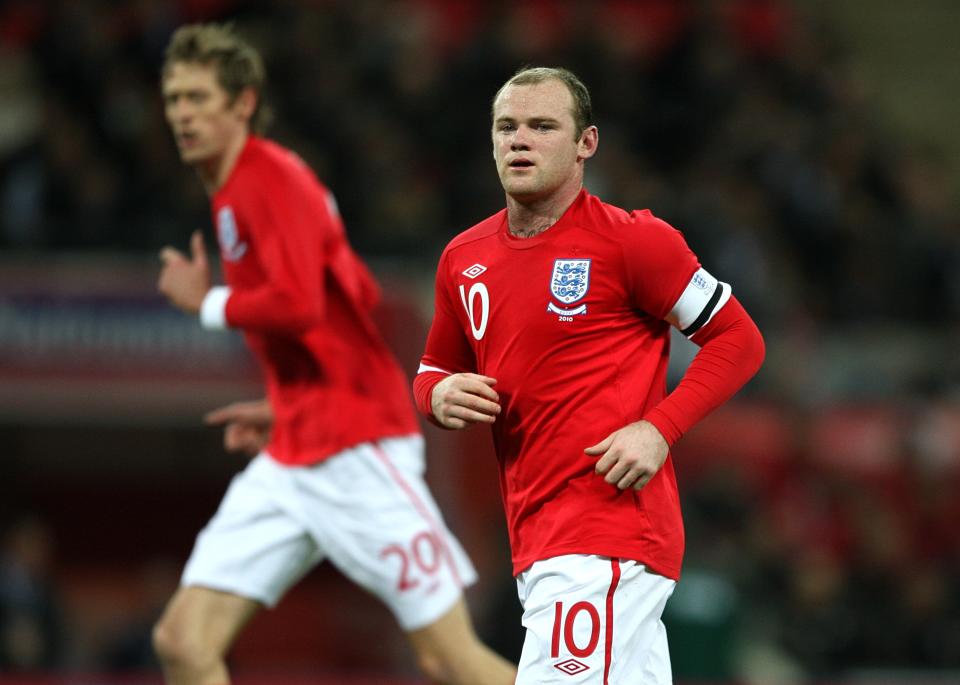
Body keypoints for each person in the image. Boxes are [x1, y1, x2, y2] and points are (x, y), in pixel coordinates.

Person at [153, 23, 516, 685]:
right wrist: (290, 401)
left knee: (448, 656)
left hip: (359, 449)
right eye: (174, 97)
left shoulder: (273, 179)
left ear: (242, 103)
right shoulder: (235, 193)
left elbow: (298, 306)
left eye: (198, 97)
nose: (182, 113)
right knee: (182, 639)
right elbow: (352, 293)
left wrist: (203, 302)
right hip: (297, 447)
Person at [413, 67, 766, 684]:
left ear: (586, 143)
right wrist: (436, 393)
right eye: (507, 127)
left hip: (604, 536)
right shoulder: (464, 259)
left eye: (543, 126)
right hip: (538, 539)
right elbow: (433, 368)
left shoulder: (635, 243)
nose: (520, 140)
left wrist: (660, 429)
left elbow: (738, 338)